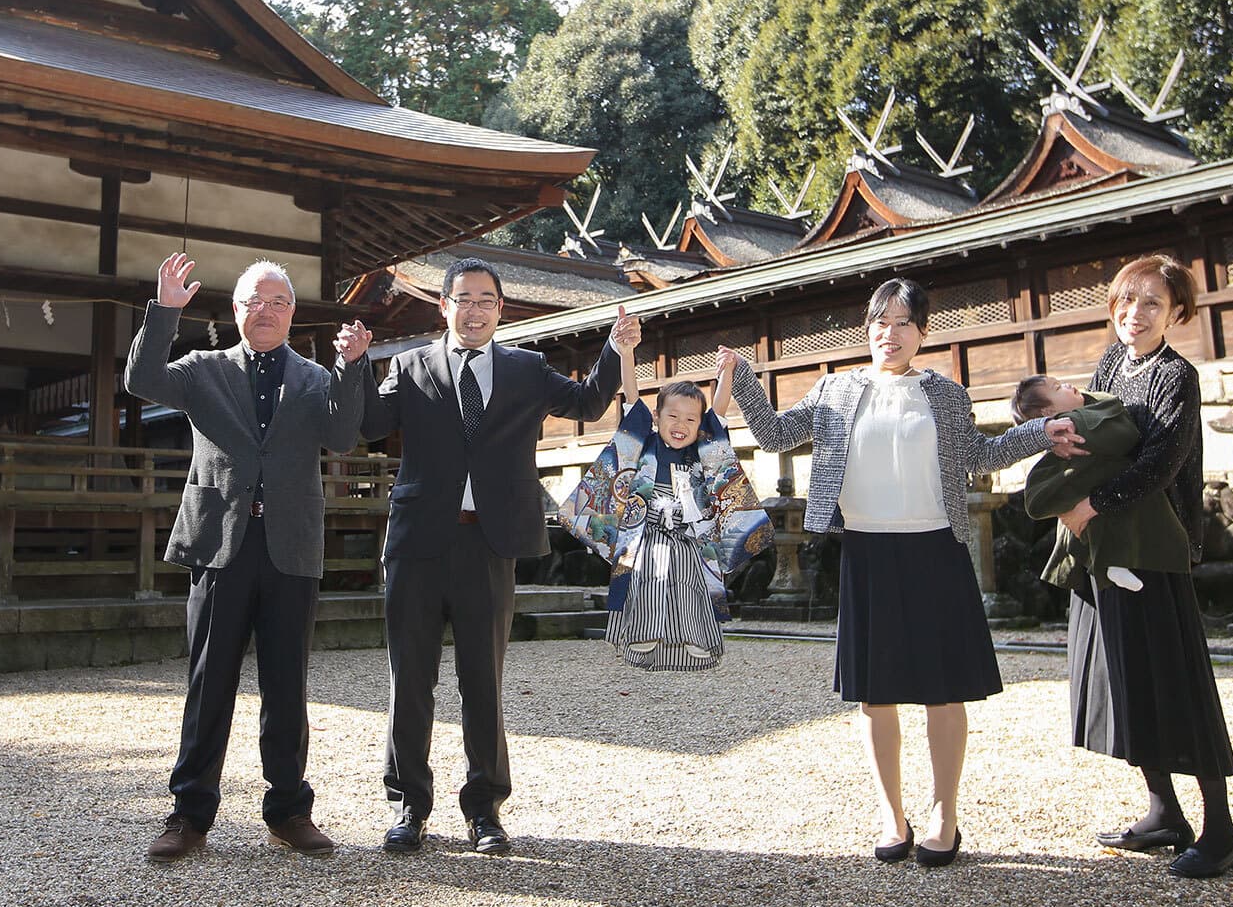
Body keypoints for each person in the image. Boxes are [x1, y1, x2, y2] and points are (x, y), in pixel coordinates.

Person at [719, 277, 1081, 866]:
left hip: (934, 546)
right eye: (880, 322)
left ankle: (945, 811)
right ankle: (891, 814)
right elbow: (775, 433)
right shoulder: (835, 390)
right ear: (867, 329)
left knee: (943, 690)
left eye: (904, 322)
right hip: (866, 550)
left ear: (923, 333)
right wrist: (744, 382)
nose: (891, 333)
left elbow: (979, 457)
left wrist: (1040, 432)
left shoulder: (944, 392)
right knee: (875, 694)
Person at [361, 257, 635, 855]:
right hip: (417, 542)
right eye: (464, 298)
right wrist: (353, 365)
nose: (475, 309)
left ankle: (484, 808)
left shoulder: (525, 369)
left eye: (487, 299)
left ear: (500, 309)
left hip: (489, 541)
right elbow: (368, 421)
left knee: (481, 679)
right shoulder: (409, 366)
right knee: (410, 678)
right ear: (444, 306)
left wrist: (615, 347)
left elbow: (589, 404)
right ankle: (410, 804)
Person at [124, 252, 371, 863]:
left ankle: (289, 810)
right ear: (235, 311)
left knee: (287, 685)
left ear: (292, 314)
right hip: (220, 544)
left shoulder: (315, 378)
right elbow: (141, 381)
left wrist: (351, 368)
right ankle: (188, 813)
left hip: (290, 545)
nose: (265, 311)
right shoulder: (204, 368)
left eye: (278, 302)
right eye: (253, 302)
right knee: (209, 683)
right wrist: (164, 313)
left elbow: (343, 435)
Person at [1056, 255, 1233, 879]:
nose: (1135, 315)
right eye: (1127, 301)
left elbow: (1161, 465)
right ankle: (1165, 811)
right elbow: (1090, 431)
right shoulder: (1111, 363)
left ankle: (1221, 830)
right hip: (1108, 546)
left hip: (1155, 549)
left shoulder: (1174, 376)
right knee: (1127, 679)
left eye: (1153, 305)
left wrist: (1088, 502)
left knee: (1175, 683)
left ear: (1178, 314)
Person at [555, 319, 772, 671]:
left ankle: (696, 637)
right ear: (656, 417)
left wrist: (726, 374)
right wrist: (626, 354)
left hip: (691, 533)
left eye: (690, 419)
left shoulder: (704, 448)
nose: (681, 424)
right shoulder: (645, 442)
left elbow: (718, 411)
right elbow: (631, 396)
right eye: (672, 415)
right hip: (649, 530)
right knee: (649, 578)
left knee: (691, 582)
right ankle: (644, 631)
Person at [1011, 374, 1192, 593]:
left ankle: (1112, 562)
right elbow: (1125, 436)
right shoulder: (1074, 427)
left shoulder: (1092, 409)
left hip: (1119, 494)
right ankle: (1111, 562)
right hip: (1098, 503)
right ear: (1048, 414)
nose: (1067, 384)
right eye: (1058, 388)